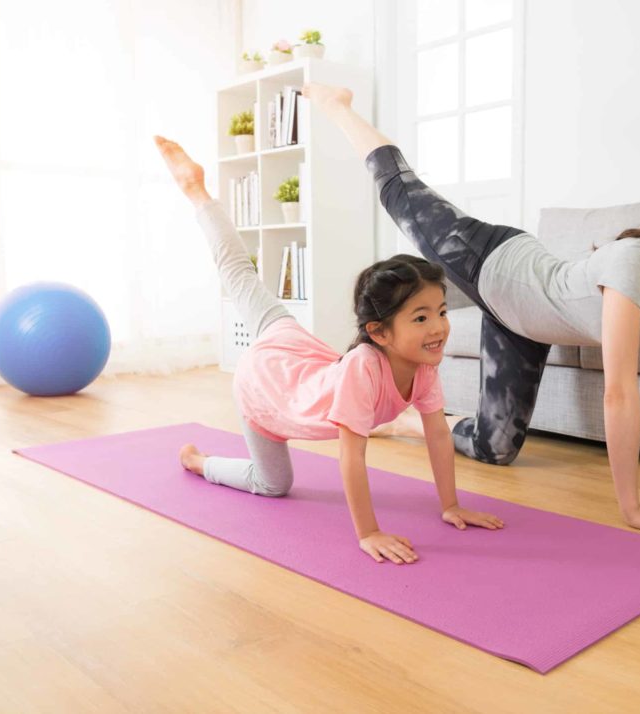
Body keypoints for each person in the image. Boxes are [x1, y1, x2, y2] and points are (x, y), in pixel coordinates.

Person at [303, 82, 640, 540]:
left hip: (524, 324)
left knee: (497, 449)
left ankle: (403, 422)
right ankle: (337, 105)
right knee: (401, 191)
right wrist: (633, 509)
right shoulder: (638, 264)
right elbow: (619, 393)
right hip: (492, 261)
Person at [153, 135, 504, 565]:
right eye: (420, 317)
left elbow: (436, 432)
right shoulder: (363, 369)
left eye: (442, 312)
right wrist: (368, 532)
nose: (439, 328)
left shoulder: (421, 361)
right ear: (380, 332)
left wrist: (450, 504)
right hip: (266, 386)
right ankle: (201, 463)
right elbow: (352, 458)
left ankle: (197, 192)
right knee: (272, 484)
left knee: (242, 277)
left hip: (291, 345)